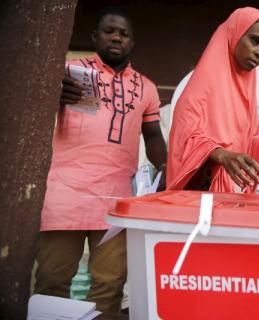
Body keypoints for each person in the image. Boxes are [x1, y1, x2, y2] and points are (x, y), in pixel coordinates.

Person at [34, 7, 167, 313]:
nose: (117, 37)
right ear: (95, 37)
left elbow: (153, 137)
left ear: (132, 42)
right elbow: (34, 115)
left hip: (117, 199)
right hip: (65, 195)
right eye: (109, 31)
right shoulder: (68, 72)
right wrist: (51, 94)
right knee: (51, 283)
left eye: (124, 33)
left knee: (109, 287)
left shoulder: (146, 87)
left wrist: (166, 169)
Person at [167, 7, 259, 192]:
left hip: (229, 196)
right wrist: (221, 155)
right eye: (255, 41)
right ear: (235, 34)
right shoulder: (205, 82)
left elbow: (242, 143)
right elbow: (184, 137)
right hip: (200, 198)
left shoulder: (246, 91)